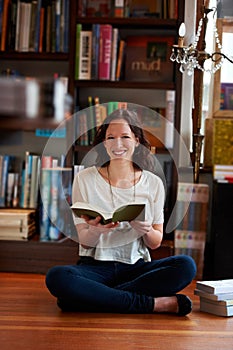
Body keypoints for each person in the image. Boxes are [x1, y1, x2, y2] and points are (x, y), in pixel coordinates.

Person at [46, 108, 196, 315]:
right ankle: (154, 304)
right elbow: (85, 242)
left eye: (125, 136)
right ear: (104, 143)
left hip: (136, 268)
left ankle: (92, 298)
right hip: (96, 267)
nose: (118, 144)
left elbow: (155, 242)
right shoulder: (85, 178)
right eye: (111, 137)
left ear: (136, 140)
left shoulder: (153, 183)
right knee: (57, 277)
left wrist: (144, 229)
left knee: (186, 265)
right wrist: (97, 230)